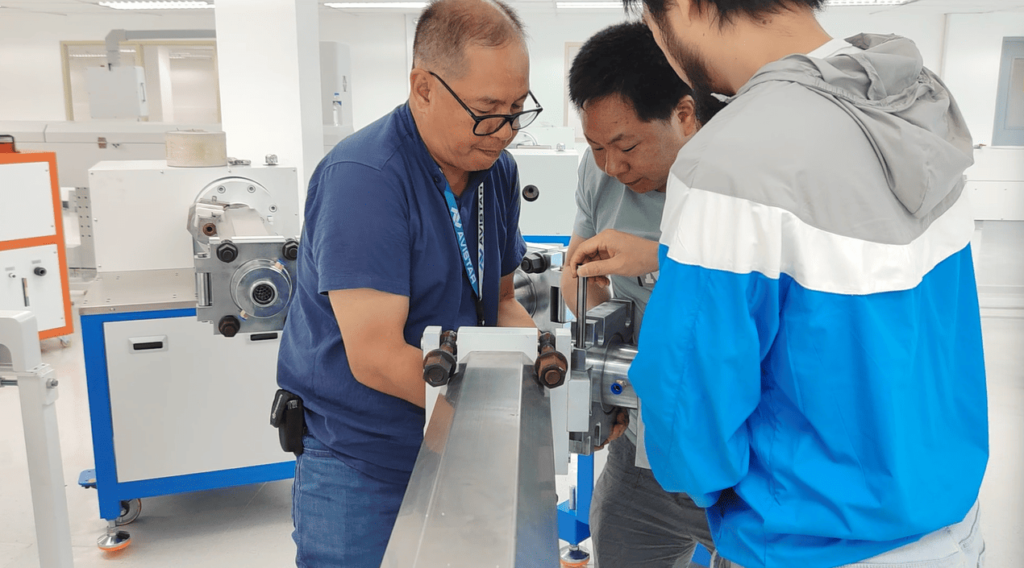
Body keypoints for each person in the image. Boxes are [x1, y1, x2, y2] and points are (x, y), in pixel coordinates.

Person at [571, 1, 988, 567]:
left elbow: (689, 427)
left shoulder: (731, 164)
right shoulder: (914, 101)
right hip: (950, 528)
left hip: (811, 542)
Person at [276, 0, 539, 565]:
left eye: (519, 108)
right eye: (489, 109)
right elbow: (373, 355)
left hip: (458, 437)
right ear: (423, 87)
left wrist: (539, 369)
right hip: (363, 462)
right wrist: (493, 419)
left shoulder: (497, 171)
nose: (507, 131)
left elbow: (499, 300)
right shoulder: (366, 179)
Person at [561, 22, 729, 568]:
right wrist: (582, 291)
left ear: (684, 115)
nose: (613, 166)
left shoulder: (741, 173)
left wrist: (656, 257)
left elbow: (774, 294)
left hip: (737, 464)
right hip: (641, 453)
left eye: (626, 145)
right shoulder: (600, 170)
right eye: (597, 147)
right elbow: (576, 272)